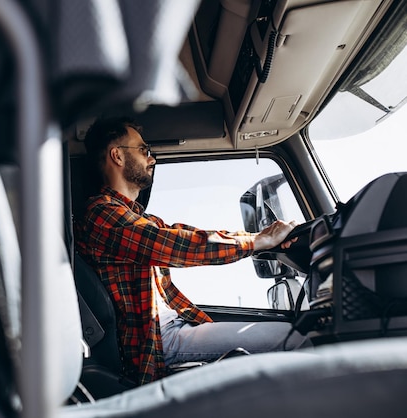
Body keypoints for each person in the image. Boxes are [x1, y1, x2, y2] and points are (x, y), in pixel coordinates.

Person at [74, 116, 309, 385]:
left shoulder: (134, 217)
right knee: (297, 339)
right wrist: (257, 242)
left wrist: (262, 238)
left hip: (170, 331)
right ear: (117, 155)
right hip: (156, 342)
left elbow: (181, 234)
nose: (152, 159)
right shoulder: (102, 214)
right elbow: (173, 244)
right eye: (143, 150)